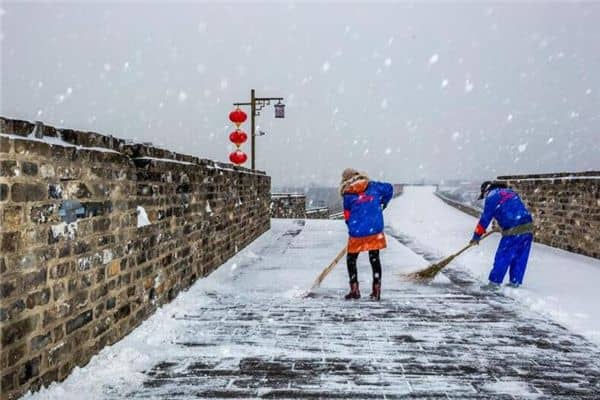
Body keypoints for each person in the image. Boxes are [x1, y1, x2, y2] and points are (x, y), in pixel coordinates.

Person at [340, 168, 394, 300]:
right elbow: (390, 189)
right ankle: (376, 290)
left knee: (351, 259)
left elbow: (347, 215)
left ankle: (355, 290)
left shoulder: (347, 194)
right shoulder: (373, 186)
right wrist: (383, 203)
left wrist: (352, 228)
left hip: (357, 231)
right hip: (375, 229)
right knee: (374, 258)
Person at [470, 181, 534, 289]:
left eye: (484, 194)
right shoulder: (510, 192)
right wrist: (504, 222)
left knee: (503, 255)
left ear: (487, 190)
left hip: (513, 229)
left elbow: (485, 218)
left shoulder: (493, 195)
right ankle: (515, 282)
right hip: (528, 226)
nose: (485, 197)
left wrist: (476, 236)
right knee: (519, 256)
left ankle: (494, 283)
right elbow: (512, 209)